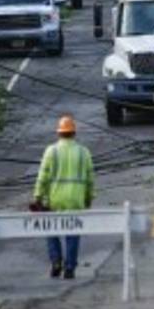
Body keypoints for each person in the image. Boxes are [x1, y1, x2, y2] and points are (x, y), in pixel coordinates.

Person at [32, 115, 95, 280]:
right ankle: (69, 268)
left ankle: (56, 262)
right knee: (72, 234)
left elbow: (42, 177)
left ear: (59, 133)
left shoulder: (51, 151)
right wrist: (89, 198)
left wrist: (38, 197)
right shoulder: (83, 152)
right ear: (74, 133)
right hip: (76, 200)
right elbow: (90, 179)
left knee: (51, 230)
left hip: (55, 200)